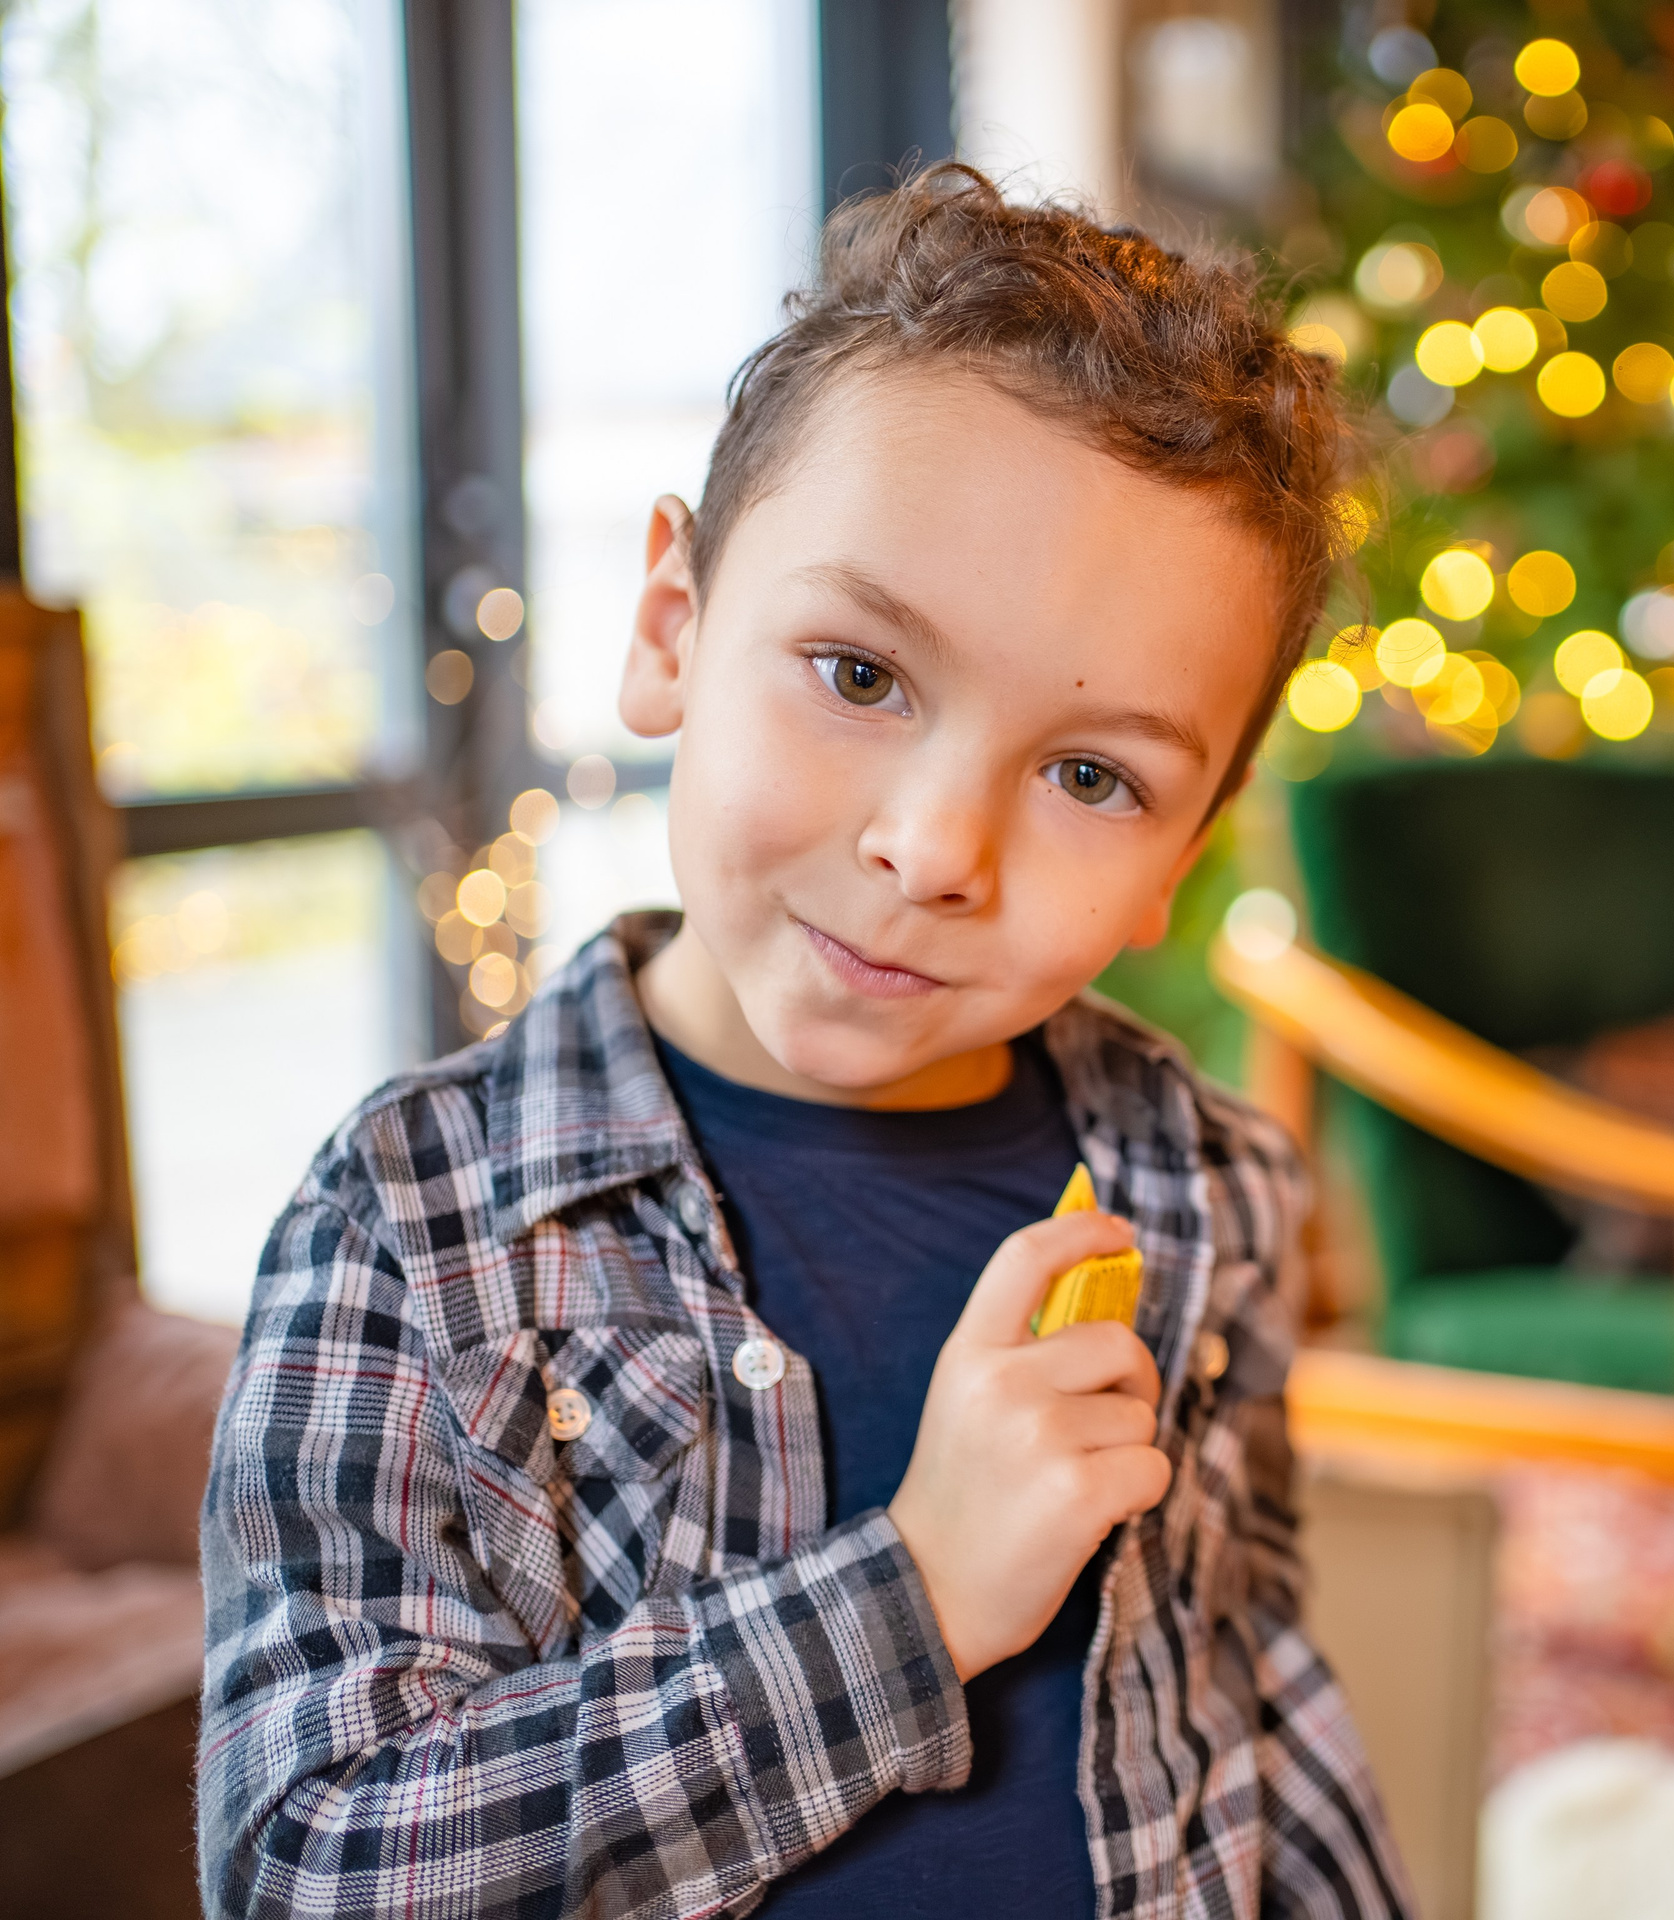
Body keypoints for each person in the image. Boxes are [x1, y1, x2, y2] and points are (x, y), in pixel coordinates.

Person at [197, 163, 1409, 1920]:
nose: (934, 849)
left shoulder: (1212, 1184)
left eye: (1092, 777)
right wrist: (912, 1599)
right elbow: (314, 1864)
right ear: (672, 630)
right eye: (859, 674)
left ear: (1183, 858)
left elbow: (1254, 1693)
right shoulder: (415, 1221)